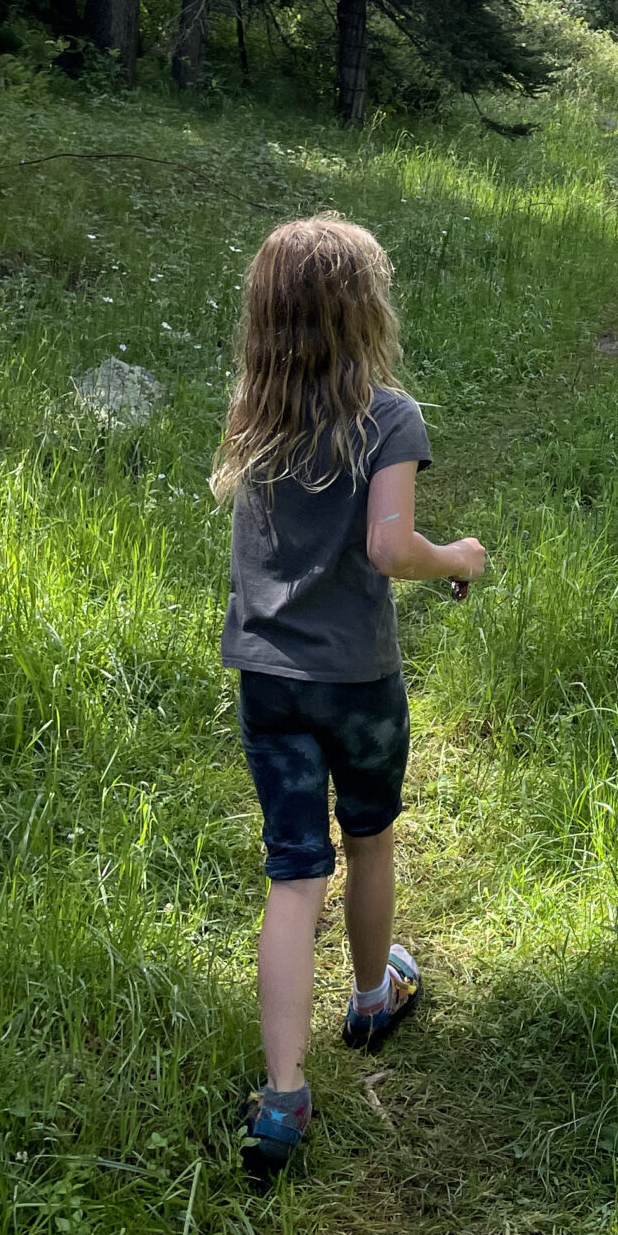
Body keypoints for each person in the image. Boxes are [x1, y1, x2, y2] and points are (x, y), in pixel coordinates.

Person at [213, 214, 487, 1180]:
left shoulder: (257, 408)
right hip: (356, 684)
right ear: (365, 311)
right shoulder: (390, 417)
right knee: (368, 838)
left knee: (295, 873)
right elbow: (388, 546)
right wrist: (457, 556)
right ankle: (373, 998)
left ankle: (282, 1098)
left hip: (267, 679)